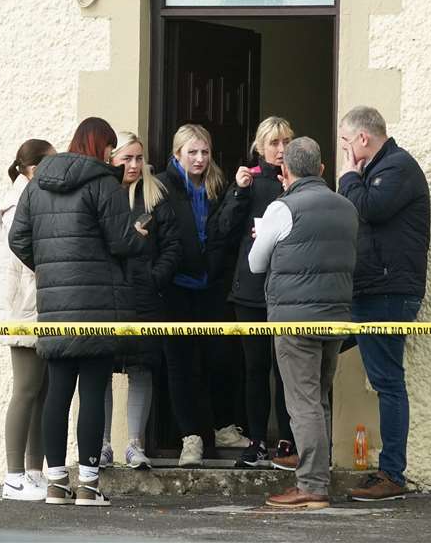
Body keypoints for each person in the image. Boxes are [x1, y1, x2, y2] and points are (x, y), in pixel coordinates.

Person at [9, 117, 133, 507]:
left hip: (55, 307)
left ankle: (56, 483)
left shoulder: (37, 185)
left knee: (58, 393)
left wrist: (48, 268)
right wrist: (141, 236)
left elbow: (17, 238)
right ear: (100, 147)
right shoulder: (103, 184)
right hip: (96, 306)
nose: (114, 156)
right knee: (93, 392)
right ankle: (90, 484)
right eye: (111, 148)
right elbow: (121, 241)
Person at [247, 137, 357, 511]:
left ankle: (311, 486)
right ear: (323, 169)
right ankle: (317, 477)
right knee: (320, 398)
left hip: (295, 319)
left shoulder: (283, 207)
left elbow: (255, 263)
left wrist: (264, 238)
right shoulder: (346, 207)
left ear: (285, 171)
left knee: (303, 403)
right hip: (336, 317)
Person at [337, 106, 431, 502]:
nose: (344, 150)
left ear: (362, 139)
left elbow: (365, 209)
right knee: (312, 350)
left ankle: (392, 473)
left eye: (346, 142)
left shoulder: (396, 168)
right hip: (368, 290)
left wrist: (347, 175)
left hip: (387, 293)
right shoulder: (381, 169)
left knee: (388, 381)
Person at [153, 123, 238, 466]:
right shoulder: (160, 186)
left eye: (205, 152)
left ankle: (221, 427)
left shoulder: (220, 185)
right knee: (181, 364)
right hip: (176, 287)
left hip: (211, 285)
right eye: (192, 152)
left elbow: (226, 233)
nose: (200, 159)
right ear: (177, 155)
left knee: (221, 357)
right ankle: (191, 438)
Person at [221, 117, 298, 469]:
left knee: (286, 369)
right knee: (255, 368)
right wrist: (238, 192)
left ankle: (287, 439)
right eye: (274, 144)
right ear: (260, 146)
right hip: (251, 288)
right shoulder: (248, 179)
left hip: (288, 289)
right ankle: (255, 440)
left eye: (286, 143)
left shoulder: (300, 181)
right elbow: (223, 228)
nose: (281, 150)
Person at [99, 132, 176, 471]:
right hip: (108, 296)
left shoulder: (157, 195)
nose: (133, 165)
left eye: (138, 158)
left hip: (146, 297)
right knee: (99, 370)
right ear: (112, 160)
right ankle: (100, 444)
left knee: (142, 368)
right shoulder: (102, 193)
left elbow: (173, 247)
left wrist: (154, 277)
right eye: (126, 158)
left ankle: (134, 444)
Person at [0, 138, 55, 501]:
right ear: (31, 168)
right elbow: (23, 256)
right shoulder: (18, 204)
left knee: (42, 392)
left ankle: (35, 472)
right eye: (48, 165)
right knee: (26, 389)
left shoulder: (32, 199)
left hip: (38, 305)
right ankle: (13, 475)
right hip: (24, 307)